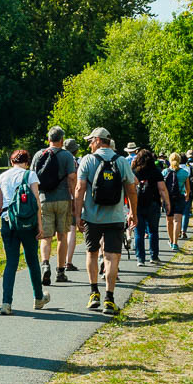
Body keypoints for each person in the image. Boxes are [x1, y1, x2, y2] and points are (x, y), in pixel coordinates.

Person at [73, 127, 137, 315]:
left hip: (92, 218)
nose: (90, 144)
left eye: (91, 141)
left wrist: (77, 215)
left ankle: (94, 293)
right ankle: (109, 299)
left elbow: (79, 189)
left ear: (99, 140)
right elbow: (131, 189)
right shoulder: (122, 161)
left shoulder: (87, 160)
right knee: (111, 257)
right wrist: (133, 212)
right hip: (116, 217)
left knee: (92, 253)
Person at [0, 149, 49, 313]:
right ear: (27, 162)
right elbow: (36, 203)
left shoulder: (2, 177)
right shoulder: (30, 175)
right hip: (28, 224)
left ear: (12, 162)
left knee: (11, 262)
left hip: (8, 222)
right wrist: (40, 225)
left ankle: (6, 303)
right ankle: (38, 297)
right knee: (32, 260)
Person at [31, 127, 77, 286]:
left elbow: (32, 178)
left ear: (48, 138)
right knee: (62, 236)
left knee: (45, 236)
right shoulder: (67, 156)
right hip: (63, 199)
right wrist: (74, 200)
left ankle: (45, 264)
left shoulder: (39, 155)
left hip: (44, 199)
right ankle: (60, 271)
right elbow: (72, 178)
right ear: (62, 139)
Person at [130, 147, 168, 265]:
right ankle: (154, 256)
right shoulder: (156, 171)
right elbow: (162, 189)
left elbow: (130, 188)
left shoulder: (134, 171)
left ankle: (140, 258)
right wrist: (167, 203)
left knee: (138, 232)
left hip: (138, 203)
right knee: (153, 231)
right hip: (153, 203)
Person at [62, 137, 81, 273]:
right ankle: (68, 261)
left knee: (60, 233)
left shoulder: (58, 158)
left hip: (57, 197)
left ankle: (59, 261)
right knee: (71, 229)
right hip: (70, 197)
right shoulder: (73, 162)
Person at [164, 153, 188, 252]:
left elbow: (162, 187)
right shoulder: (184, 172)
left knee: (169, 221)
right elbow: (188, 189)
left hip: (168, 198)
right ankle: (175, 243)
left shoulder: (165, 172)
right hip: (179, 197)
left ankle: (170, 240)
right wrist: (187, 195)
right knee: (177, 220)